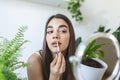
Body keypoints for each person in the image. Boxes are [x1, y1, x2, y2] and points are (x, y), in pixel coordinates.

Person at [27, 14, 76, 80]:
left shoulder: (78, 62)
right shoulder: (34, 61)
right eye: (50, 31)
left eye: (63, 31)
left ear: (71, 36)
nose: (55, 35)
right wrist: (54, 76)